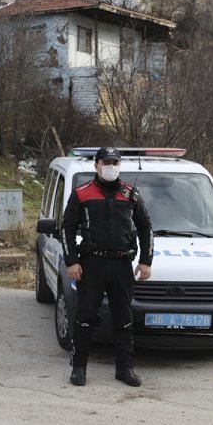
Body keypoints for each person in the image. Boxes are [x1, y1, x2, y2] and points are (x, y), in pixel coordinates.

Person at [61, 146, 153, 387]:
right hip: (91, 264)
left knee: (124, 318)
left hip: (122, 264)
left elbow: (146, 227)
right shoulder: (82, 193)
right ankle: (78, 368)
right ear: (97, 166)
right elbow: (67, 228)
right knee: (85, 317)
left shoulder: (130, 194)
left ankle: (125, 369)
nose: (111, 167)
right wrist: (72, 261)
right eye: (106, 162)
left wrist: (145, 261)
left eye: (115, 162)